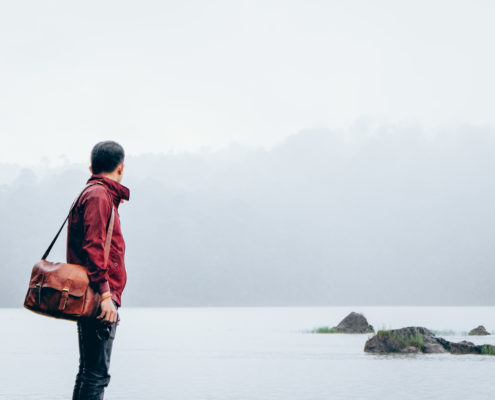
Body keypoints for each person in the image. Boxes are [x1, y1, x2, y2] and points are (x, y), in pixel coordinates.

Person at [67, 141, 130, 400]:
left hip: (93, 294)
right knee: (96, 375)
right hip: (97, 296)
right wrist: (106, 296)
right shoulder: (99, 196)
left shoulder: (93, 193)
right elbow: (93, 247)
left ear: (92, 167)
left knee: (88, 372)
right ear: (121, 168)